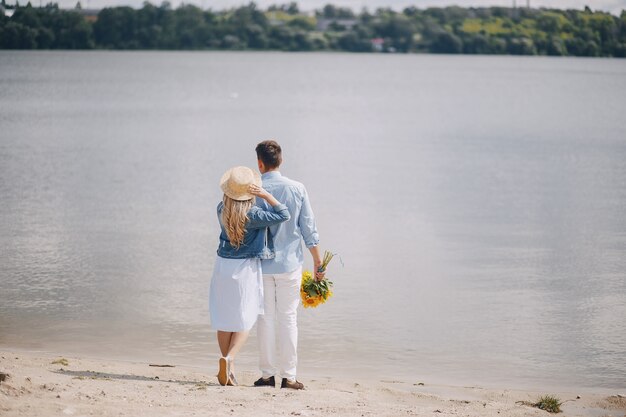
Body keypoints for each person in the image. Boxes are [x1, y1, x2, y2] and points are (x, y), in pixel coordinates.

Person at [209, 166, 290, 386]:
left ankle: (228, 368)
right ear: (249, 192)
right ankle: (230, 358)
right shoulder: (253, 215)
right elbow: (283, 214)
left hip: (223, 266)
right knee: (247, 316)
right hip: (245, 268)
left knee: (224, 318)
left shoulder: (220, 209)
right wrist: (265, 195)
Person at [253, 140, 324, 390]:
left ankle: (266, 375)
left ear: (260, 163)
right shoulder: (297, 188)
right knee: (289, 318)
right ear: (280, 161)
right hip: (290, 263)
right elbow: (308, 228)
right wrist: (317, 260)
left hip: (260, 264)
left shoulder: (253, 190)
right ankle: (289, 377)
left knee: (265, 318)